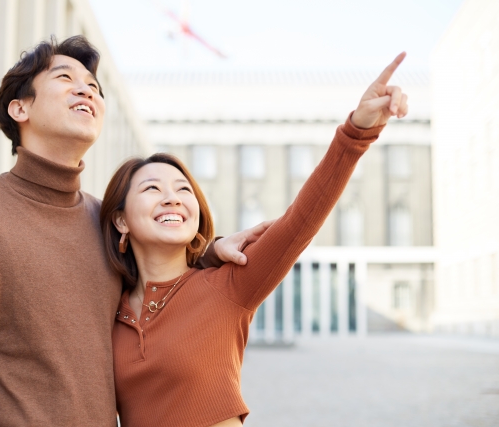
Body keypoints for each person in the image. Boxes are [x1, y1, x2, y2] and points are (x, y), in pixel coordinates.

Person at [0, 36, 266, 426]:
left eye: (94, 86)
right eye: (65, 77)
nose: (86, 89)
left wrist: (207, 251)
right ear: (20, 108)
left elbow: (160, 273)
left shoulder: (106, 223)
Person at [100, 53, 409, 427]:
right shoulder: (105, 308)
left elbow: (301, 220)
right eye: (152, 188)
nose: (172, 198)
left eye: (184, 190)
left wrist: (356, 133)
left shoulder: (229, 285)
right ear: (120, 219)